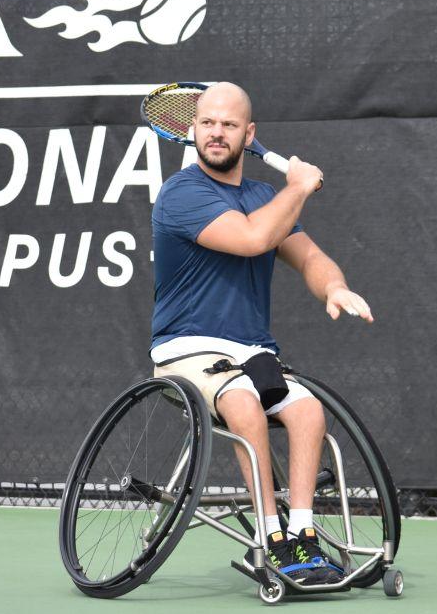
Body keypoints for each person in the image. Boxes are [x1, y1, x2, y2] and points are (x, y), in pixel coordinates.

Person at [150, 82, 374, 586]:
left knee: (308, 409)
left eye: (229, 125)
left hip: (252, 353)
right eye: (207, 122)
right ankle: (271, 538)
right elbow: (253, 240)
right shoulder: (183, 193)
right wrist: (297, 186)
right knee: (245, 402)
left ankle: (303, 534)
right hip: (187, 349)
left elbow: (309, 255)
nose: (216, 133)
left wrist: (333, 288)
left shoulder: (262, 196)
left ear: (248, 134)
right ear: (192, 128)